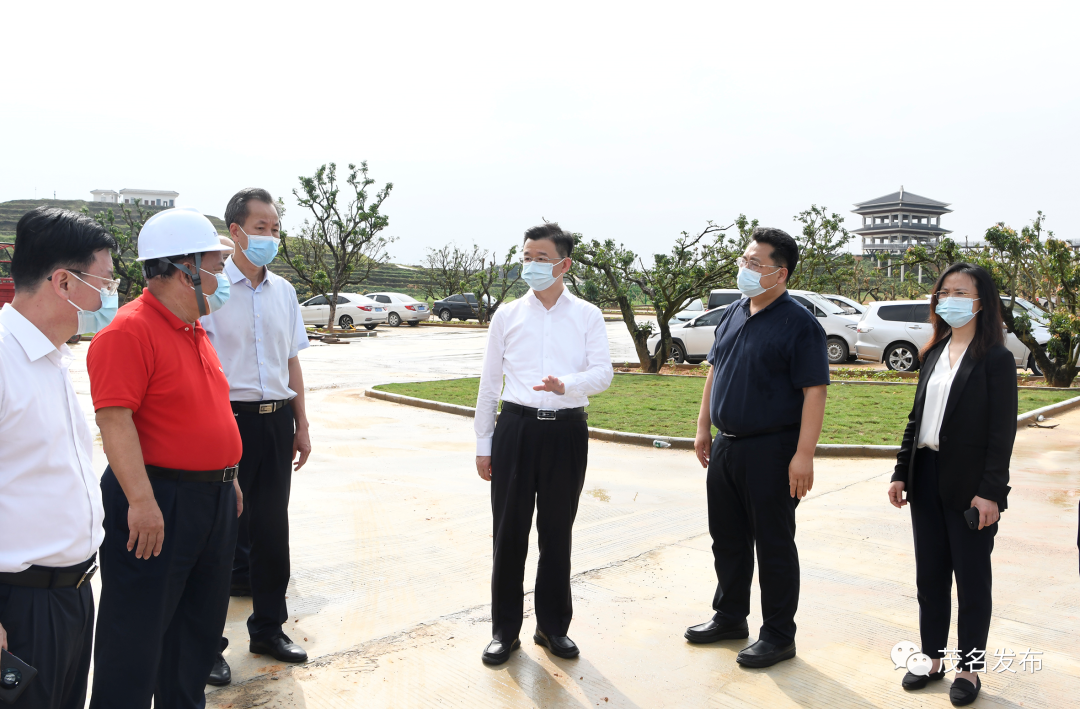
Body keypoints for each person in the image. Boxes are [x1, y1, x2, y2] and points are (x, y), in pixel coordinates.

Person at [86, 207, 243, 709]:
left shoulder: (193, 328)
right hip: (158, 501)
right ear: (183, 271)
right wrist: (141, 500)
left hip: (211, 498)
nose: (222, 277)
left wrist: (227, 476)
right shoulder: (128, 332)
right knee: (134, 635)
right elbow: (115, 421)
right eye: (215, 266)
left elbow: (205, 413)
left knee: (195, 631)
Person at [684, 227, 828, 668]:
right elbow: (714, 369)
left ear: (780, 273)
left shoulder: (798, 323)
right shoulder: (732, 312)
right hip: (727, 446)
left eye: (755, 264)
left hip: (773, 450)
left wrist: (803, 455)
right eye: (744, 260)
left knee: (773, 544)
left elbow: (814, 391)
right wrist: (703, 426)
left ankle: (779, 634)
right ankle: (729, 616)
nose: (745, 269)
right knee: (726, 538)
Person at [474, 222, 612, 665]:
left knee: (556, 532)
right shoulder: (507, 315)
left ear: (564, 264)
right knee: (509, 533)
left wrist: (565, 385)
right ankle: (504, 632)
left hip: (567, 431)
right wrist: (483, 442)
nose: (532, 266)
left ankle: (552, 628)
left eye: (542, 259)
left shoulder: (587, 314)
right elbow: (490, 382)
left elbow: (603, 373)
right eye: (527, 257)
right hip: (516, 429)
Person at [0, 208, 116, 709]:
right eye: (106, 283)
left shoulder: (52, 358)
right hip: (20, 607)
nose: (111, 296)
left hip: (70, 595)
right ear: (65, 282)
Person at [888, 263, 1016, 707]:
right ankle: (932, 658)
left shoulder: (995, 359)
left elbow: (1002, 435)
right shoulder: (934, 352)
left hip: (970, 489)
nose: (950, 298)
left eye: (961, 291)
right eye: (944, 291)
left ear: (982, 301)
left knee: (973, 581)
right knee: (931, 578)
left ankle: (969, 670)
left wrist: (991, 493)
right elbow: (916, 420)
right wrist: (901, 471)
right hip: (926, 479)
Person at [201, 188, 312, 685]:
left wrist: (301, 423)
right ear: (236, 232)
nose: (271, 235)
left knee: (271, 531)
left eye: (275, 227)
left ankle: (268, 627)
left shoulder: (284, 292)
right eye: (261, 227)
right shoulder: (209, 290)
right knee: (219, 536)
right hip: (226, 420)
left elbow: (292, 360)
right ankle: (207, 644)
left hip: (275, 423)